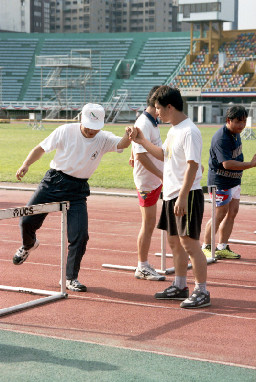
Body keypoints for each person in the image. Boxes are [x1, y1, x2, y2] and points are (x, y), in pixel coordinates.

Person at [14, 103, 132, 292]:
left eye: (96, 127)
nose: (92, 131)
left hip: (77, 190)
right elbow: (41, 148)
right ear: (81, 120)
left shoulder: (102, 138)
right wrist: (25, 164)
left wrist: (129, 134)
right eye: (88, 126)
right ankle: (29, 245)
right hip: (53, 182)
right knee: (26, 221)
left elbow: (123, 144)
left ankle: (70, 277)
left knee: (80, 236)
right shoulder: (65, 131)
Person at [129, 85, 210, 309]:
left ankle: (202, 290)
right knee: (174, 242)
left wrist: (183, 196)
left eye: (159, 108)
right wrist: (141, 140)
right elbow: (163, 154)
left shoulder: (189, 131)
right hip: (172, 193)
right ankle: (180, 285)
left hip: (187, 194)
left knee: (190, 244)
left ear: (170, 106)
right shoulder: (174, 129)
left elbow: (193, 166)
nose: (157, 113)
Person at [202, 105, 256, 259]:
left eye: (244, 121)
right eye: (239, 122)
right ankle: (206, 246)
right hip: (219, 182)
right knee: (219, 214)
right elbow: (227, 164)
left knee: (232, 212)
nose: (242, 125)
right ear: (228, 120)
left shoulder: (236, 133)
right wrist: (250, 165)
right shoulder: (221, 138)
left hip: (234, 180)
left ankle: (222, 246)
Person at [129, 85, 165, 281]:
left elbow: (138, 147)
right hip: (147, 181)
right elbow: (142, 157)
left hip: (152, 179)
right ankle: (142, 266)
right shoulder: (144, 122)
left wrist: (131, 153)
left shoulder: (151, 121)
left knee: (150, 224)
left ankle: (143, 265)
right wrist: (161, 175)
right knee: (148, 224)